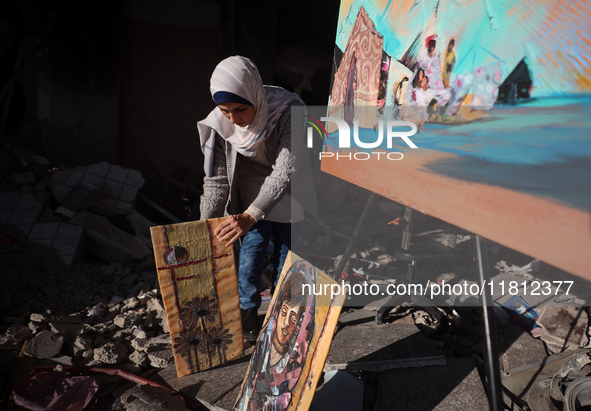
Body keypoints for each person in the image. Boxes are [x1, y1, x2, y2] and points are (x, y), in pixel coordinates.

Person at [197, 56, 309, 342]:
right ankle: (248, 310)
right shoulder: (218, 124)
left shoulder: (288, 109)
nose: (233, 119)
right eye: (225, 110)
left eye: (239, 109)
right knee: (252, 249)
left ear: (253, 95)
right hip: (249, 185)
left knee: (289, 250)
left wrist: (251, 214)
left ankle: (286, 312)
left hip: (289, 184)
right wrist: (202, 230)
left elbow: (286, 170)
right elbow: (217, 180)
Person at [235, 263, 315, 410]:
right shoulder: (265, 342)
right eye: (284, 314)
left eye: (293, 319)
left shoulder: (294, 362)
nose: (285, 324)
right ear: (277, 314)